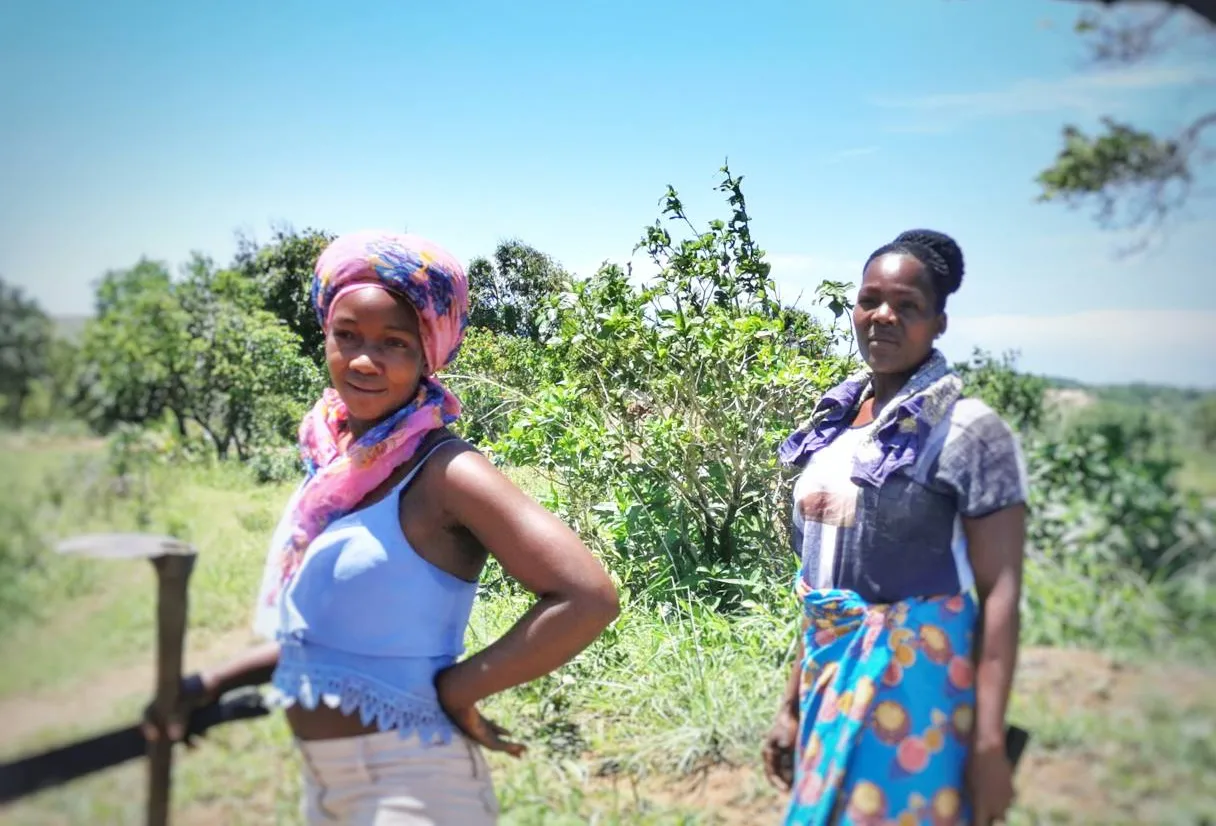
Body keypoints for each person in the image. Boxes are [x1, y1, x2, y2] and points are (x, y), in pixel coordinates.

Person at [145, 231, 619, 825]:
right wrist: (213, 681)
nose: (364, 359)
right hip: (328, 790)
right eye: (347, 335)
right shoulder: (334, 462)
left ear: (428, 354)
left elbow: (588, 596)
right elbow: (335, 636)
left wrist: (458, 688)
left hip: (413, 784)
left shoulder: (447, 472)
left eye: (393, 342)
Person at [761, 230, 1027, 826]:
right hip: (829, 680)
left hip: (916, 691)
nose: (883, 316)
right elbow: (823, 597)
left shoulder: (971, 433)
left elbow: (1002, 596)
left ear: (939, 323)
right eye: (870, 299)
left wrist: (987, 746)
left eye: (908, 306)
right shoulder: (830, 425)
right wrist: (792, 705)